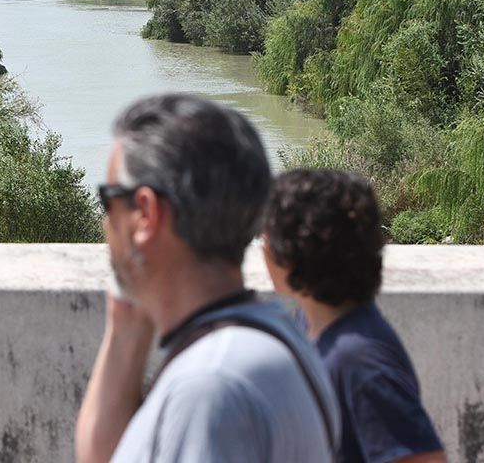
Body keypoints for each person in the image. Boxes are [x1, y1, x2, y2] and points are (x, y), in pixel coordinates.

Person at [76, 94, 340, 463]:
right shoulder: (273, 333)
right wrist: (126, 322)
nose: (106, 223)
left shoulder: (209, 387)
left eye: (109, 201)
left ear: (146, 215)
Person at [261, 169, 446, 463]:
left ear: (294, 253)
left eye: (269, 237)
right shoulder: (309, 322)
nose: (263, 247)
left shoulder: (360, 360)